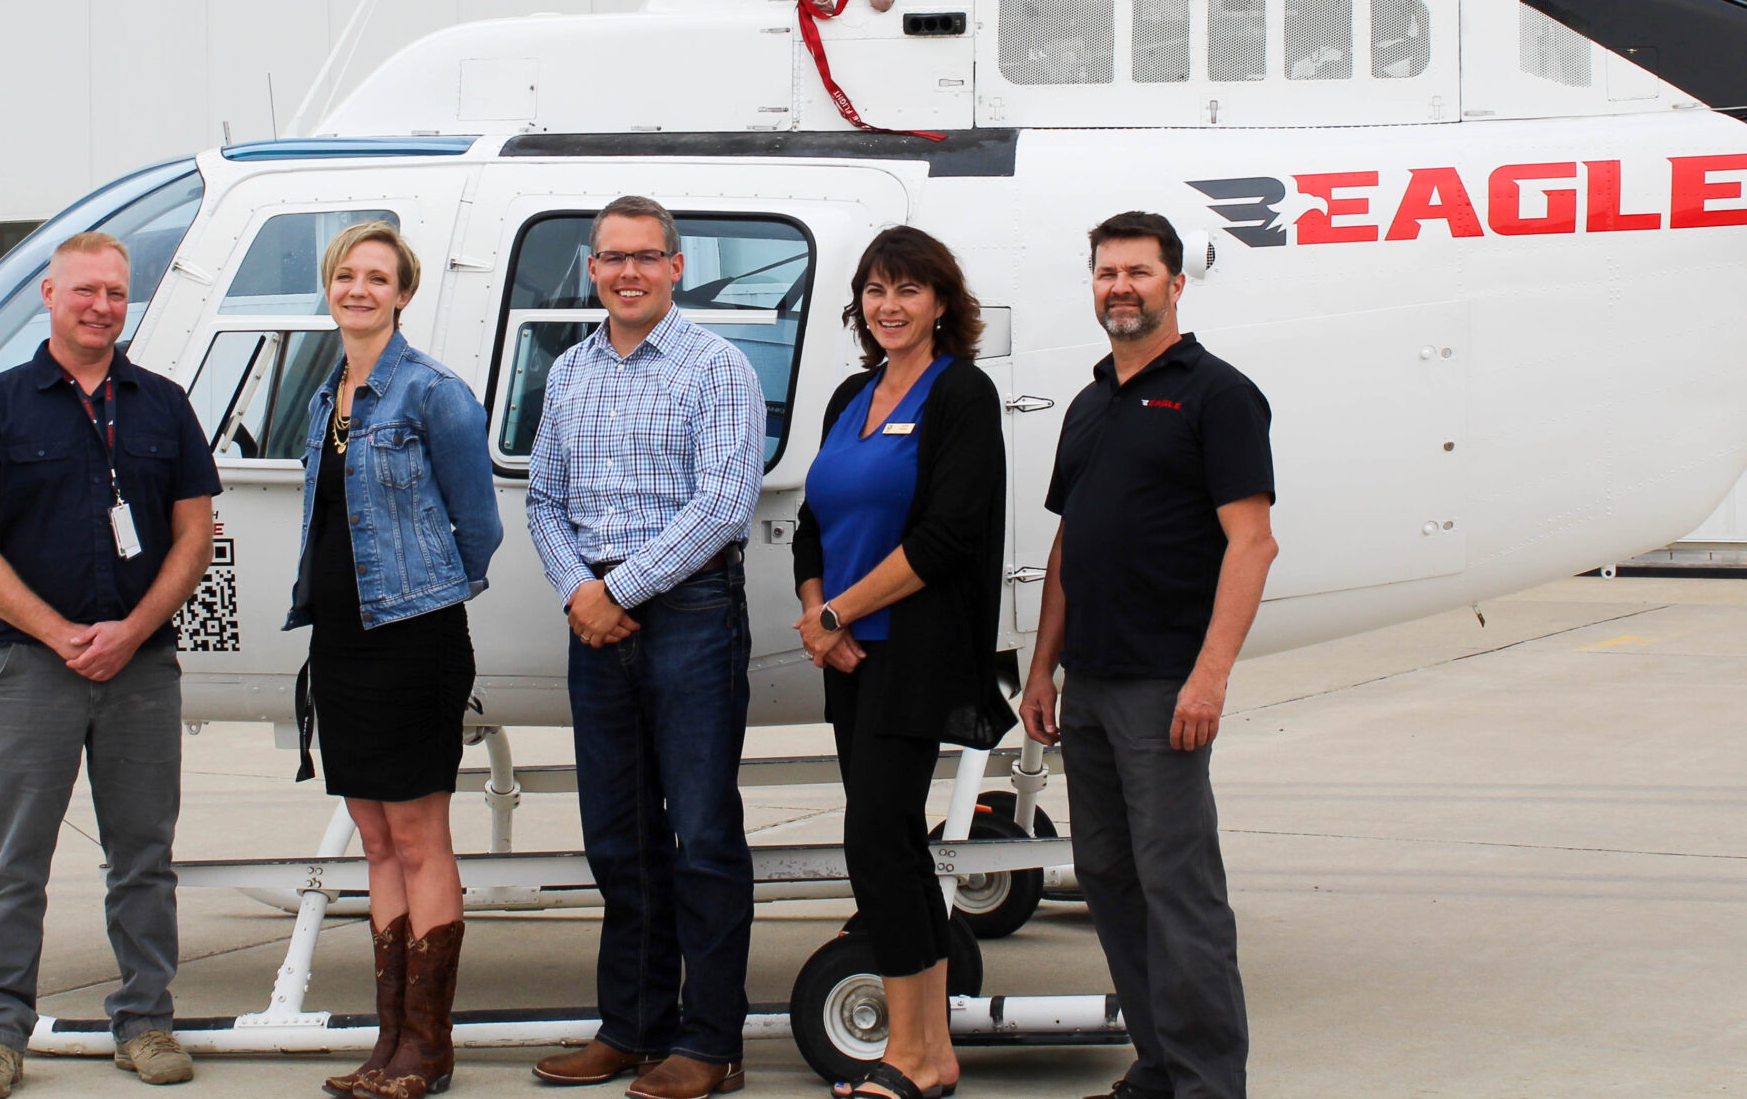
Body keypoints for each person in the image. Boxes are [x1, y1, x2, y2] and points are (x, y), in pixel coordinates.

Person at [0, 231, 223, 1099]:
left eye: (114, 292)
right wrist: (63, 634)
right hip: (35, 667)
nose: (102, 305)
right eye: (85, 290)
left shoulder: (163, 405)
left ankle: (145, 1022)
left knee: (143, 856)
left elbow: (194, 535)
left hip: (141, 669)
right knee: (15, 858)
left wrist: (133, 629)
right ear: (49, 295)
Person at [1017, 212, 1277, 1099]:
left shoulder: (1218, 395)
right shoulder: (1091, 403)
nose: (1119, 286)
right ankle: (1161, 1066)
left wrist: (1209, 678)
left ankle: (1208, 1082)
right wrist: (1042, 665)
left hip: (1165, 686)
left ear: (1175, 282)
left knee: (1180, 891)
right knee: (1111, 882)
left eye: (1137, 271)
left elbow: (1252, 544)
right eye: (1105, 273)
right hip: (1087, 683)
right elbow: (1068, 546)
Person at [526, 196, 766, 1099]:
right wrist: (578, 593)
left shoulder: (716, 368)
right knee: (618, 837)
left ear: (675, 265)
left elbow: (723, 505)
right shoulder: (570, 372)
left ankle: (710, 1044)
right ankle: (631, 1027)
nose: (627, 273)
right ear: (593, 270)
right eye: (610, 258)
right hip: (594, 613)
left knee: (702, 834)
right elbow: (542, 499)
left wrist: (617, 592)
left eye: (645, 257)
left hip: (691, 614)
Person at [794, 227, 1014, 1099]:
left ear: (941, 304)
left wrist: (843, 609)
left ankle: (917, 1054)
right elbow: (814, 523)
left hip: (911, 653)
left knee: (878, 844)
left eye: (909, 290)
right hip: (845, 654)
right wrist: (818, 613)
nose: (890, 306)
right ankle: (929, 1052)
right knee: (888, 849)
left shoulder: (962, 393)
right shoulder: (851, 395)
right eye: (876, 290)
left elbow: (947, 535)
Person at [289, 220, 501, 1099]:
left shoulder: (431, 392)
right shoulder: (326, 394)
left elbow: (479, 527)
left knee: (419, 836)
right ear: (330, 288)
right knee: (375, 840)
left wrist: (423, 594)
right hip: (338, 642)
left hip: (411, 641)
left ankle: (430, 1046)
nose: (359, 289)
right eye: (347, 274)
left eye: (378, 277)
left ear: (403, 294)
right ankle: (388, 1044)